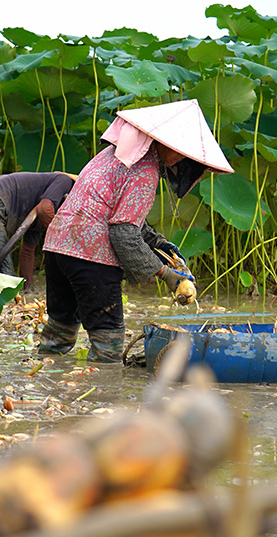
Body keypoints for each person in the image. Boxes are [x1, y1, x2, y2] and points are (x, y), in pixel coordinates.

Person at [36, 100, 234, 363]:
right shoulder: (145, 171)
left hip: (57, 248)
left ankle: (45, 384)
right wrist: (167, 275)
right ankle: (99, 396)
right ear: (165, 145)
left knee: (59, 332)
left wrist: (159, 244)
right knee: (108, 343)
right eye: (181, 153)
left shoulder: (112, 155)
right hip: (91, 255)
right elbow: (123, 233)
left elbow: (117, 215)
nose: (181, 160)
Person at [0, 172, 76, 290]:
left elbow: (27, 251)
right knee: (6, 275)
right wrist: (60, 239)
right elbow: (45, 208)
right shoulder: (65, 181)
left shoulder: (40, 213)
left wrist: (29, 287)